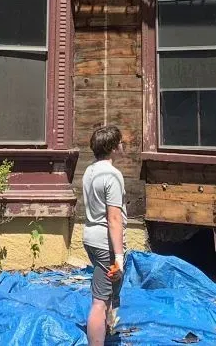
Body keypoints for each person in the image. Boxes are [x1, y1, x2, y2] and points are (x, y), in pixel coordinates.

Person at [82, 124, 127, 346]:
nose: (122, 145)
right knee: (99, 301)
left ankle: (108, 330)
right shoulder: (112, 175)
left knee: (108, 290)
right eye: (120, 142)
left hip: (89, 237)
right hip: (104, 243)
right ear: (113, 147)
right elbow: (114, 219)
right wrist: (118, 257)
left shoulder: (89, 171)